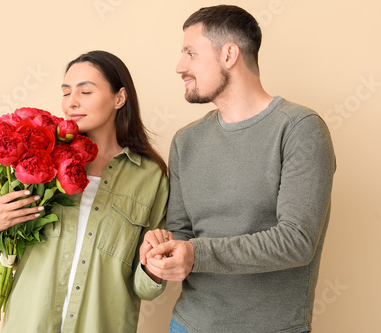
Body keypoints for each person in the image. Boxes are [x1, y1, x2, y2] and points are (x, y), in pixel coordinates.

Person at [140, 5, 336, 333]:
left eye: (190, 53)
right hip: (188, 324)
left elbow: (297, 240)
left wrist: (194, 254)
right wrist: (163, 247)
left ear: (229, 54)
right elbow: (183, 232)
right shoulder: (186, 140)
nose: (179, 67)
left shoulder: (299, 128)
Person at [0, 50, 171, 332]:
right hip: (30, 322)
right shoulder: (40, 160)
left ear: (119, 98)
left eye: (85, 91)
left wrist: (154, 266)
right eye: (66, 92)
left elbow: (145, 288)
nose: (72, 103)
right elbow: (14, 256)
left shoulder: (150, 176)